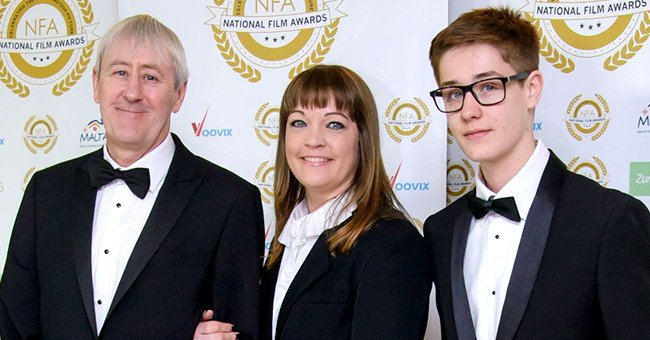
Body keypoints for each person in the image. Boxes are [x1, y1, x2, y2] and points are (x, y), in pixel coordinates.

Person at [0, 14, 264, 339]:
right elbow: (14, 320)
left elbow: (241, 332)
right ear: (96, 83)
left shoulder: (229, 201)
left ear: (179, 94)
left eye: (151, 77)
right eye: (120, 73)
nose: (132, 92)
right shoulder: (46, 191)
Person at [424, 6, 650, 340]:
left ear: (531, 89)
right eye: (454, 93)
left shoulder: (609, 220)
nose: (468, 111)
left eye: (487, 87)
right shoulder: (441, 229)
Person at [194, 64, 431, 340]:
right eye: (299, 122)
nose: (313, 140)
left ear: (362, 139)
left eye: (334, 124)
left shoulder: (392, 244)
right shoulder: (286, 243)